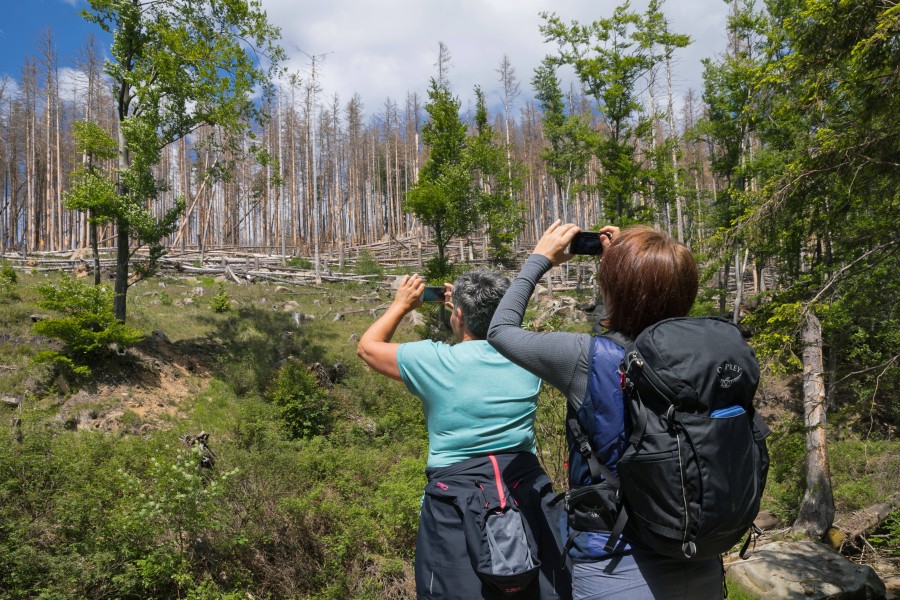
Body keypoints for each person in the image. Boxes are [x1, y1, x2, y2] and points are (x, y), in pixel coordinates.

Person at [487, 221, 723, 600]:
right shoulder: (706, 354)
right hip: (699, 554)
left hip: (617, 564)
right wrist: (629, 261)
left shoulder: (589, 358)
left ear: (613, 287)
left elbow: (500, 330)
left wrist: (538, 259)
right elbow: (627, 323)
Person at [357, 269, 569, 600]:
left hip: (455, 503)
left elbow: (368, 347)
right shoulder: (530, 356)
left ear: (458, 316)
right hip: (526, 495)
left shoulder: (433, 360)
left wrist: (402, 304)